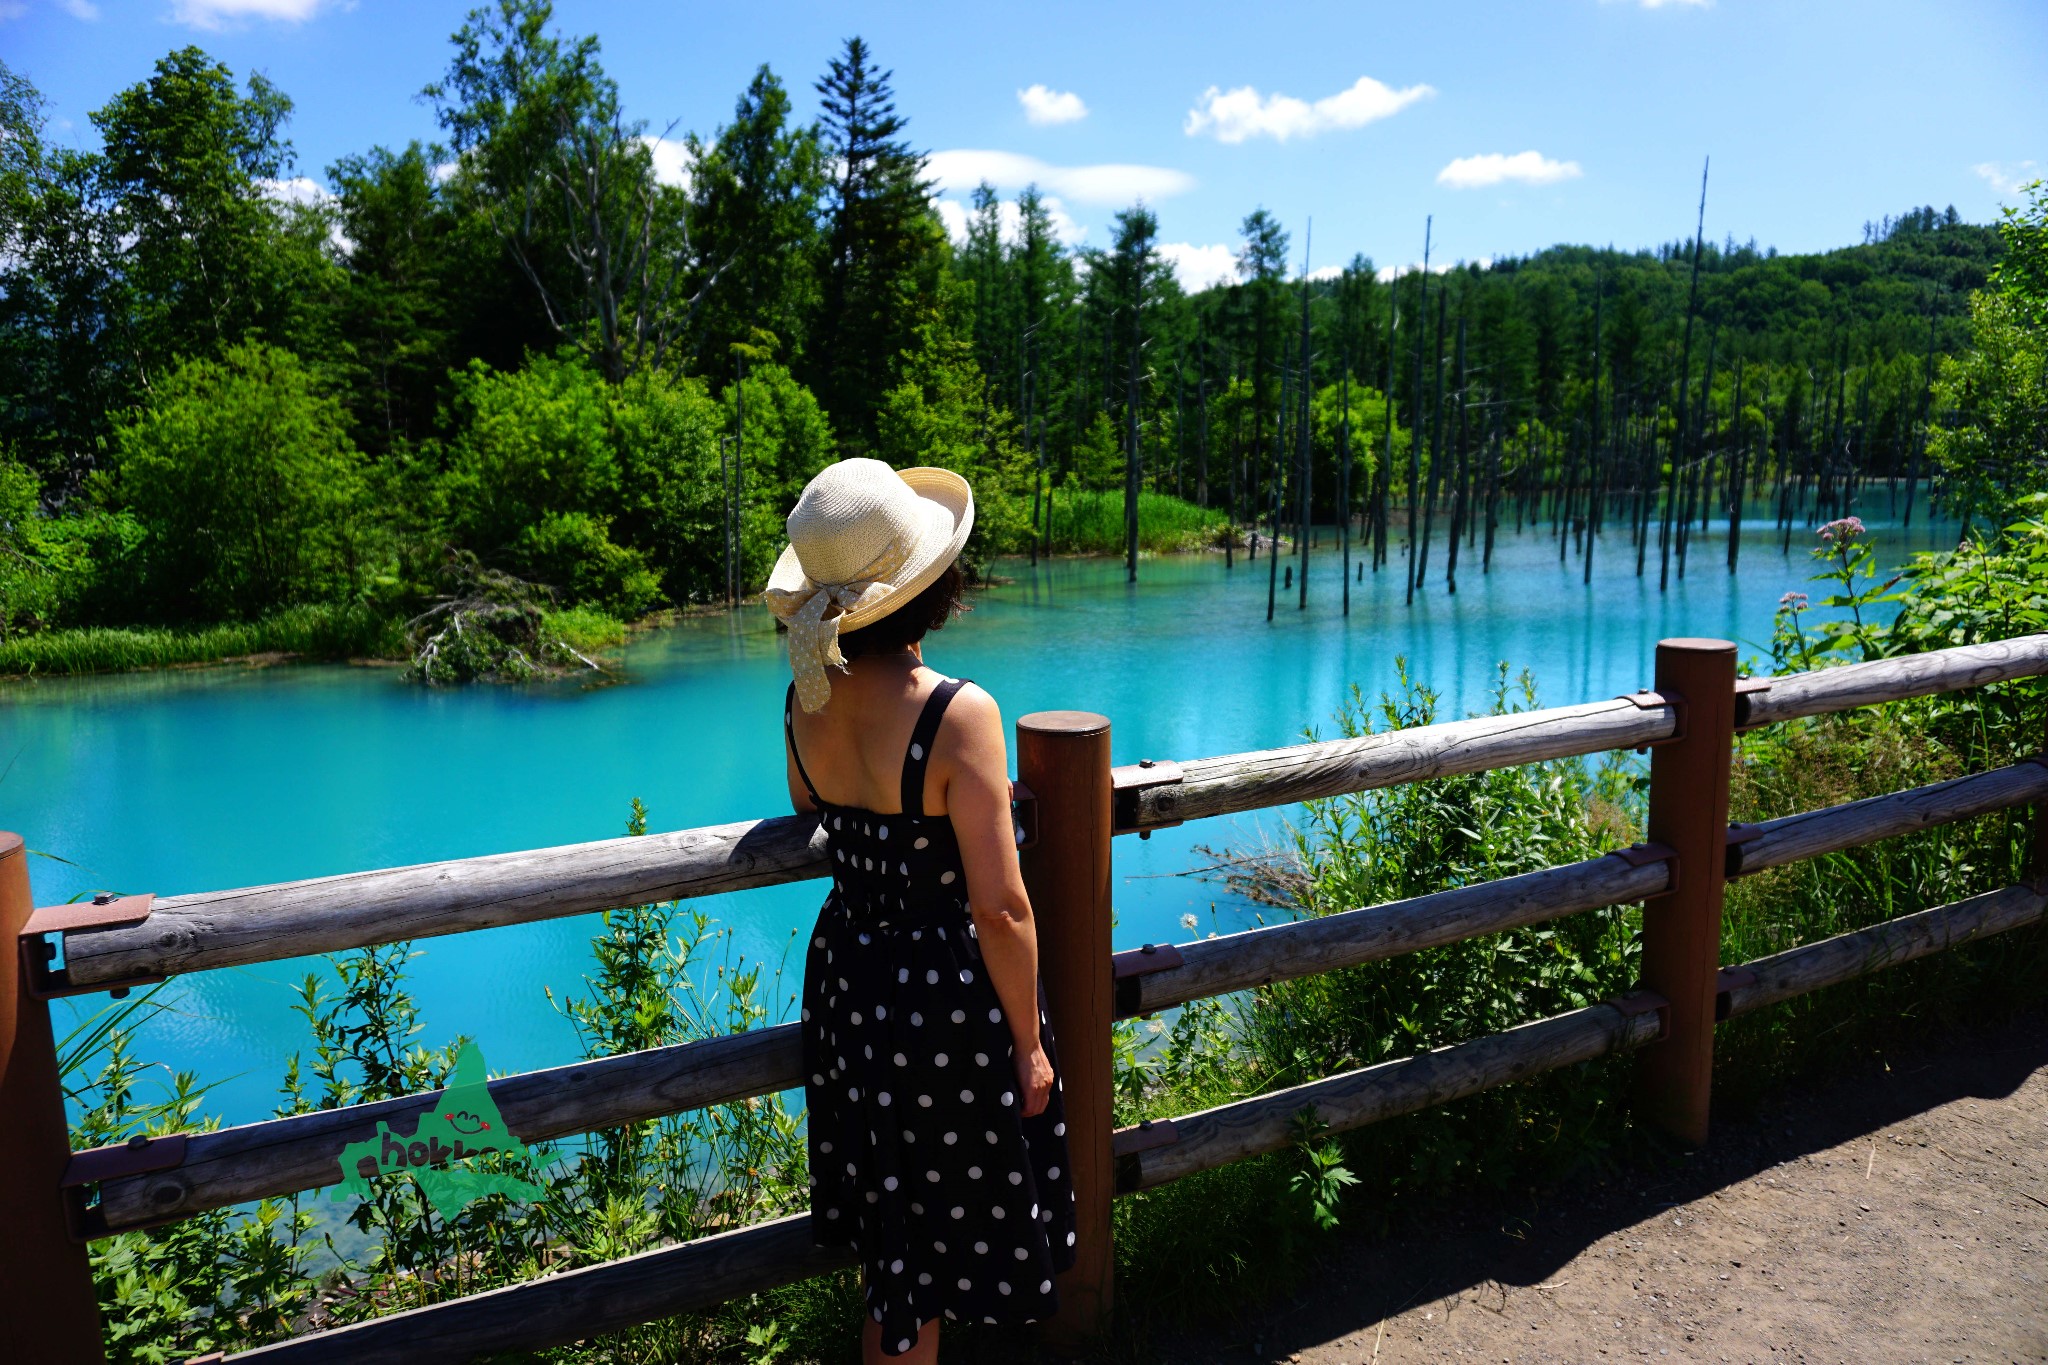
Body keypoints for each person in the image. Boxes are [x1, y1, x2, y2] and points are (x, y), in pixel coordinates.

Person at [765, 458, 1077, 1363]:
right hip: (939, 990)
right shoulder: (957, 712)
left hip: (851, 980)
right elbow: (1003, 906)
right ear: (926, 585)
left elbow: (806, 804)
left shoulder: (802, 698)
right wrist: (1027, 1041)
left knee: (898, 1245)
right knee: (944, 1231)